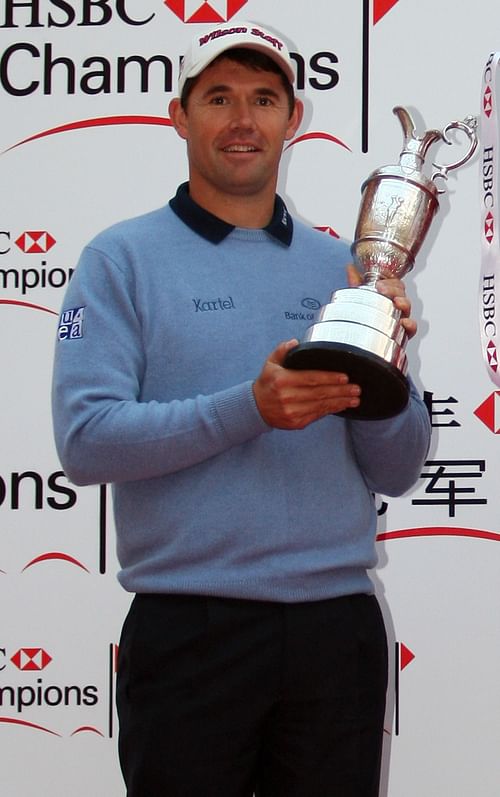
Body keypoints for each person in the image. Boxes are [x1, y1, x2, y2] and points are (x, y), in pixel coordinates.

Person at [51, 20, 431, 797]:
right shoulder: (119, 260)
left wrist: (384, 357)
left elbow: (397, 467)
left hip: (335, 630)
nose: (242, 120)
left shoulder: (347, 269)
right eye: (218, 97)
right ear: (178, 115)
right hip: (190, 632)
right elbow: (87, 441)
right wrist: (252, 408)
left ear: (294, 120)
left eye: (263, 98)